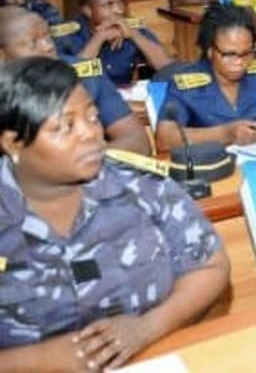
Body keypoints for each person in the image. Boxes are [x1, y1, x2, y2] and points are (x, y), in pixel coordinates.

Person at [0, 57, 229, 369]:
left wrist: (146, 329)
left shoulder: (142, 186)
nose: (91, 134)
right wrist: (40, 360)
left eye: (93, 118)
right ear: (12, 142)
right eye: (66, 126)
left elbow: (210, 267)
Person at [155, 4, 256, 150]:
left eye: (246, 53)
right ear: (210, 51)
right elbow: (165, 138)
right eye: (229, 54)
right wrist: (225, 134)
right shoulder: (187, 83)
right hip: (214, 167)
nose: (240, 62)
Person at [0, 7, 150, 153]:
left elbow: (137, 141)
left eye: (48, 37)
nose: (48, 47)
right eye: (33, 43)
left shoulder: (85, 74)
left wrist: (85, 158)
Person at [51, 0, 173, 86]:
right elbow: (67, 80)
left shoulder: (130, 28)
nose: (119, 10)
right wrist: (99, 38)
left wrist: (133, 35)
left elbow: (167, 67)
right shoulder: (67, 34)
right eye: (109, 5)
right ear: (88, 10)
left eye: (121, 2)